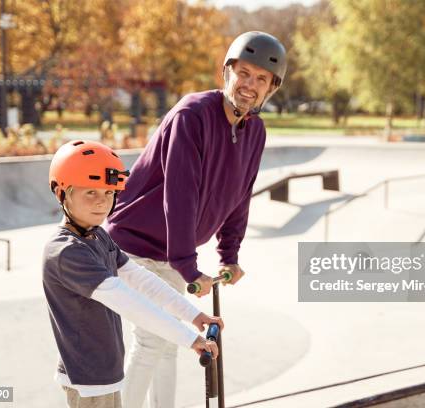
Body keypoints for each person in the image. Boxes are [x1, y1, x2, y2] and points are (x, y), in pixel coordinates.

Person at [105, 31, 287, 408]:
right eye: (244, 72)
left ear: (271, 87)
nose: (249, 85)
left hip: (168, 252)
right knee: (153, 340)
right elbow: (179, 195)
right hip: (133, 246)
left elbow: (240, 194)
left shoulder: (254, 131)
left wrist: (229, 256)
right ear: (228, 71)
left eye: (261, 79)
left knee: (169, 342)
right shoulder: (193, 115)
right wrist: (189, 268)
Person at [43, 140, 222, 408]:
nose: (101, 202)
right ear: (61, 193)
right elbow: (130, 302)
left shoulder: (96, 236)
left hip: (106, 373)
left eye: (108, 192)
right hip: (88, 380)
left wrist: (194, 315)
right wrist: (190, 339)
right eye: (89, 192)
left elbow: (140, 278)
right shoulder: (67, 251)